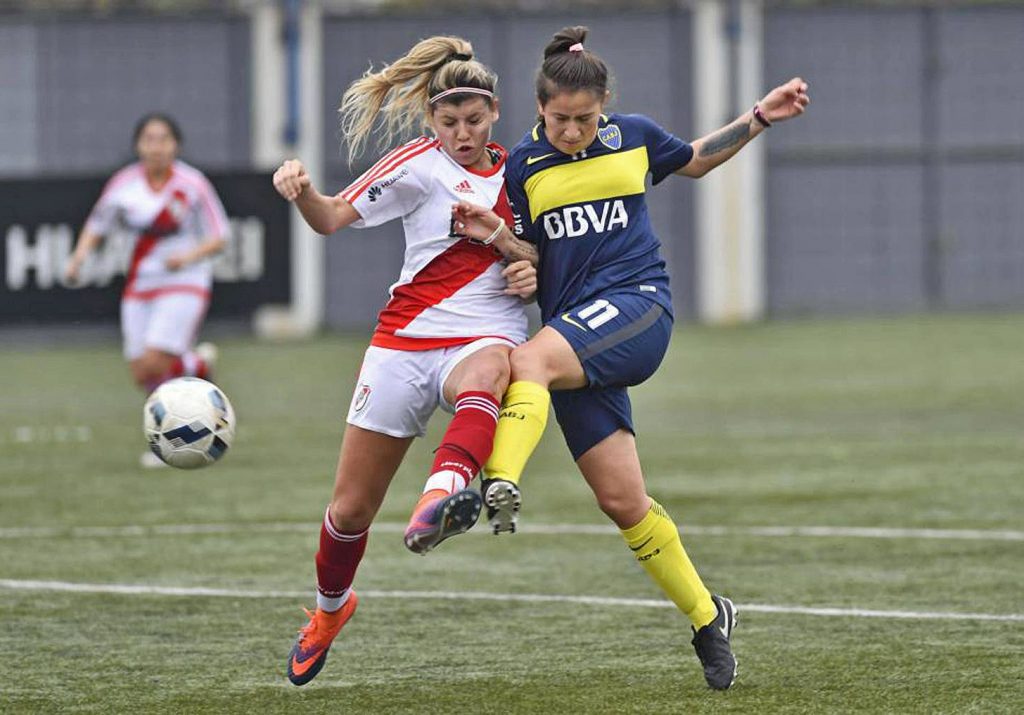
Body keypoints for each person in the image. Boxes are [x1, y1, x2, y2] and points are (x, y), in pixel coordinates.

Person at [449, 26, 810, 690]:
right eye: (561, 119)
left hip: (638, 306)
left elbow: (697, 158)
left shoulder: (635, 136)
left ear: (605, 105)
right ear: (539, 109)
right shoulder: (523, 166)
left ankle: (495, 480)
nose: (573, 131)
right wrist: (510, 253)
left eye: (585, 118)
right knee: (622, 500)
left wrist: (759, 116)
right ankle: (710, 616)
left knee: (525, 362)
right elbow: (532, 256)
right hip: (573, 336)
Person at [271, 36, 538, 687]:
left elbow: (548, 254)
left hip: (483, 333)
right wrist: (301, 190)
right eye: (449, 122)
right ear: (431, 120)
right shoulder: (417, 164)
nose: (462, 133)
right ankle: (330, 611)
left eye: (474, 120)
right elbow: (332, 217)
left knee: (490, 373)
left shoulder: (527, 170)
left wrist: (525, 262)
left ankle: (439, 500)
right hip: (402, 343)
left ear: (495, 111)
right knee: (350, 511)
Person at [65, 113, 230, 468]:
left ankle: (178, 438)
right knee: (142, 372)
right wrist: (78, 258)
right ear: (138, 145)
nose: (157, 147)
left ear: (176, 145)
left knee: (158, 360)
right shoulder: (124, 184)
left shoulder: (192, 183)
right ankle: (197, 363)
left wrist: (186, 256)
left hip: (185, 281)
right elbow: (97, 224)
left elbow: (220, 236)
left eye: (164, 139)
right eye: (149, 139)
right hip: (140, 284)